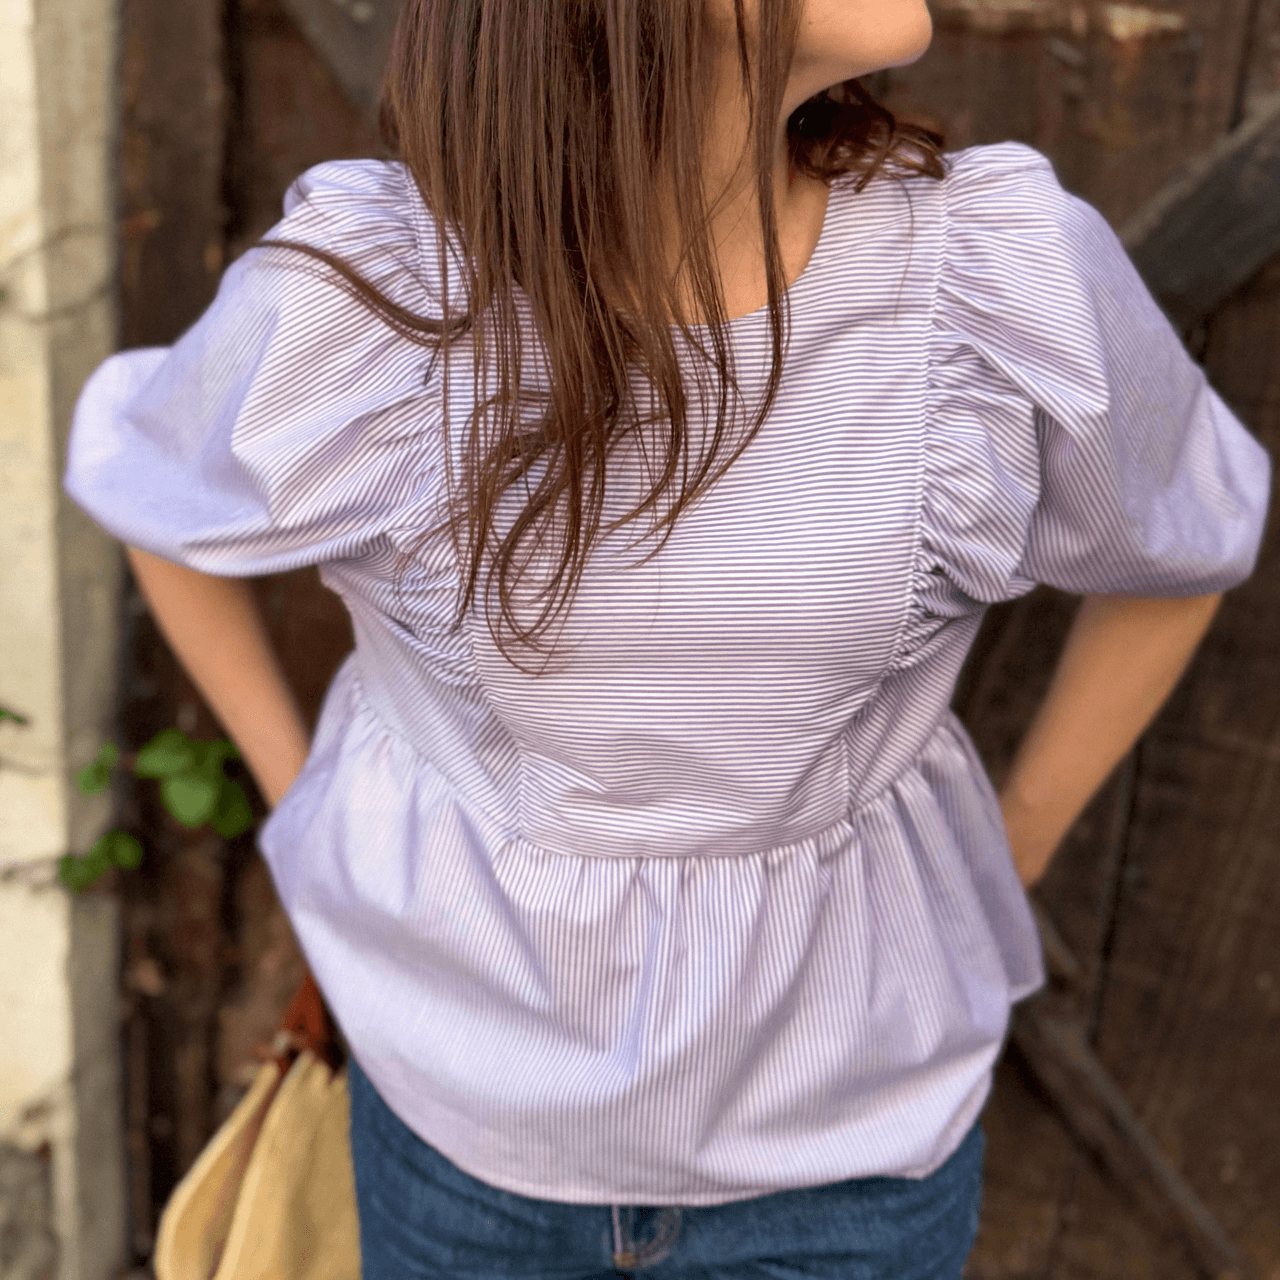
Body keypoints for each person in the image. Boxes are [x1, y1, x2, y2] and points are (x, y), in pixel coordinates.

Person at [65, 0, 1270, 1272]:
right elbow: (154, 490)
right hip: (453, 1120)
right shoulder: (380, 302)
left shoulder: (995, 279)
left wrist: (1005, 851)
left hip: (847, 1153)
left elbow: (1181, 540)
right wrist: (300, 801)